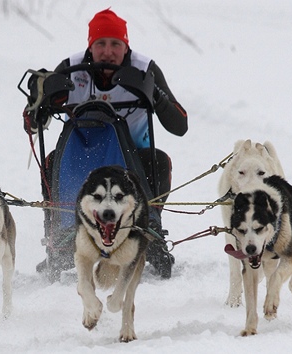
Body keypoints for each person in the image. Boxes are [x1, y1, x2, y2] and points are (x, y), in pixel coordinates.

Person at [23, 8, 188, 277]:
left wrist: (154, 95)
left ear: (126, 46)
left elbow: (180, 125)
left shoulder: (145, 68)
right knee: (51, 161)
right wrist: (40, 104)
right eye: (100, 44)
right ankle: (57, 237)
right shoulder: (71, 67)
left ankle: (151, 229)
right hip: (82, 150)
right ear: (90, 46)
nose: (108, 52)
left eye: (115, 44)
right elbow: (33, 124)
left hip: (132, 153)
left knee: (159, 160)